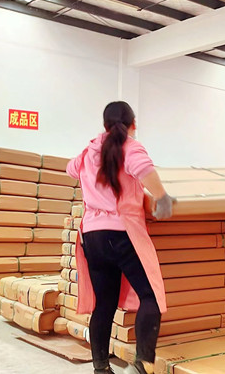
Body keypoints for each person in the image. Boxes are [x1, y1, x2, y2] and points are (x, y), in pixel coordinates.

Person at [66, 101, 174, 374]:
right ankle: (142, 365)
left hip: (93, 237)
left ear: (104, 125)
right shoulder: (130, 147)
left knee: (104, 304)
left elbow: (70, 169)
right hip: (122, 233)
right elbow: (144, 169)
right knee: (150, 296)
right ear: (133, 124)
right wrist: (162, 197)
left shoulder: (88, 152)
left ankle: (101, 368)